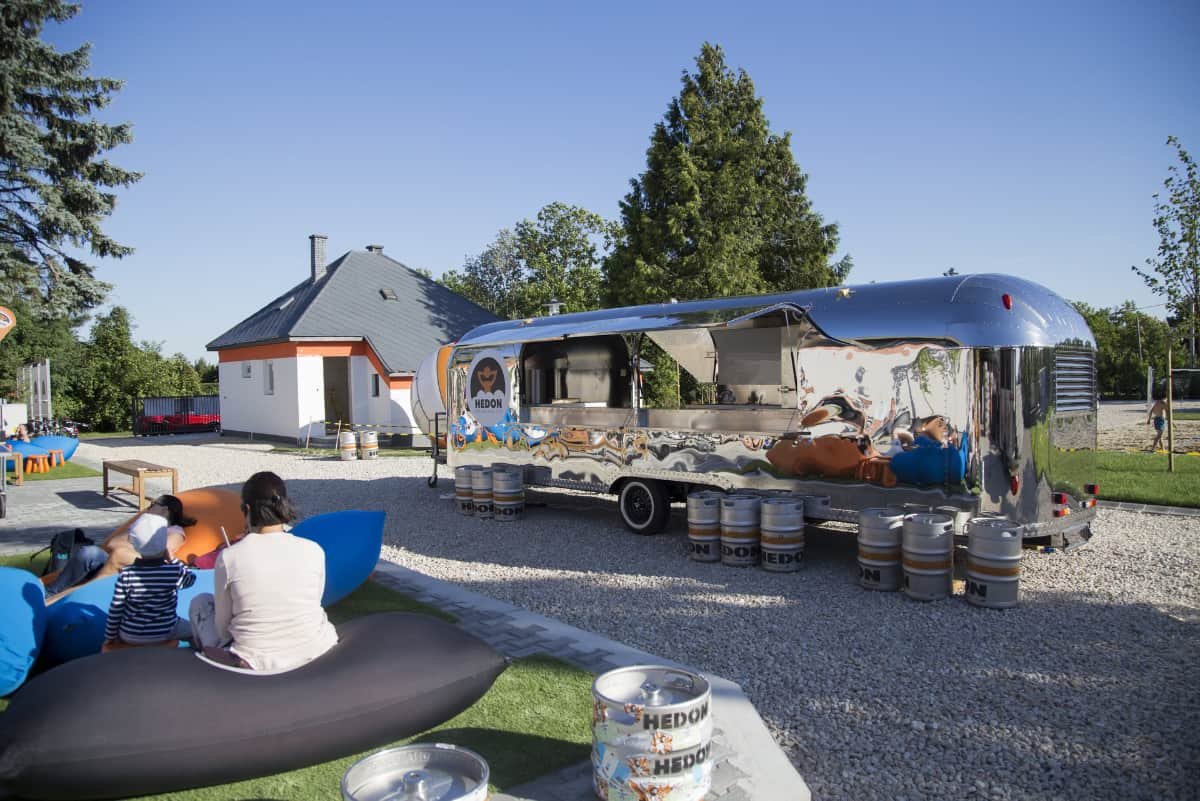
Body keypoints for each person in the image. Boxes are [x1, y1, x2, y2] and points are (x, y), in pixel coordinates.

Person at [188, 471, 337, 671]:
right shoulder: (313, 549)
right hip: (316, 646)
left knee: (200, 603)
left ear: (247, 509)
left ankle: (208, 664)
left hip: (257, 659)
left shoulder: (231, 557)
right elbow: (315, 599)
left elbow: (223, 628)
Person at [46, 494, 195, 597]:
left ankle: (63, 596)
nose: (148, 508)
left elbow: (161, 550)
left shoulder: (174, 531)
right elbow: (113, 543)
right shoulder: (143, 522)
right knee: (88, 552)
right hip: (113, 557)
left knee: (115, 555)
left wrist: (131, 543)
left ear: (165, 509)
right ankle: (52, 591)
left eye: (152, 504)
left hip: (132, 567)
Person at [102, 513, 196, 650]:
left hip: (130, 634)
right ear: (164, 543)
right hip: (165, 631)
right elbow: (190, 580)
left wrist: (109, 637)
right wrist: (173, 560)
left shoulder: (126, 574)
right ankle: (198, 659)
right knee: (195, 631)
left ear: (134, 545)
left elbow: (116, 608)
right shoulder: (172, 571)